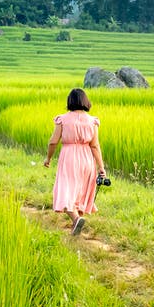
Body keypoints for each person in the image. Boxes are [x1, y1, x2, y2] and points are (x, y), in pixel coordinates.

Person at [43, 88, 106, 235]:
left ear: (70, 101)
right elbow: (95, 146)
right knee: (80, 190)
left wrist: (48, 158)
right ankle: (76, 223)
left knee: (66, 189)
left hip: (69, 157)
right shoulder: (92, 121)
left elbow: (53, 142)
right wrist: (101, 167)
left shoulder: (62, 119)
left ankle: (76, 219)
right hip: (87, 158)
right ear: (85, 101)